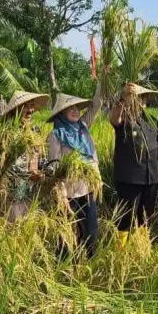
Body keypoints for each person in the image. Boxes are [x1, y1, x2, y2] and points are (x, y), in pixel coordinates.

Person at [109, 83, 158, 245]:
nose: (140, 101)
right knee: (126, 217)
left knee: (146, 216)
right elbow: (114, 119)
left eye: (142, 98)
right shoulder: (123, 119)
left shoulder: (151, 120)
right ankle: (120, 251)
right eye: (136, 98)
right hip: (130, 178)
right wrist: (123, 99)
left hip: (150, 177)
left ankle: (141, 247)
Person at [47, 84, 103, 257]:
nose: (75, 110)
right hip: (69, 192)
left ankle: (89, 264)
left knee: (91, 230)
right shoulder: (56, 135)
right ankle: (65, 269)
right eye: (69, 108)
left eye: (77, 107)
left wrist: (102, 79)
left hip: (89, 189)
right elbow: (54, 166)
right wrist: (62, 196)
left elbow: (96, 104)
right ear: (61, 113)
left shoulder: (84, 127)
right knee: (69, 232)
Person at [0, 90, 50, 222]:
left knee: (32, 226)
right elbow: (4, 166)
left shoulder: (35, 130)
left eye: (32, 105)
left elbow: (41, 157)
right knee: (15, 228)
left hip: (33, 189)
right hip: (13, 191)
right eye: (26, 106)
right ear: (16, 109)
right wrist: (27, 174)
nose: (30, 110)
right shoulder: (7, 132)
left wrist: (46, 169)